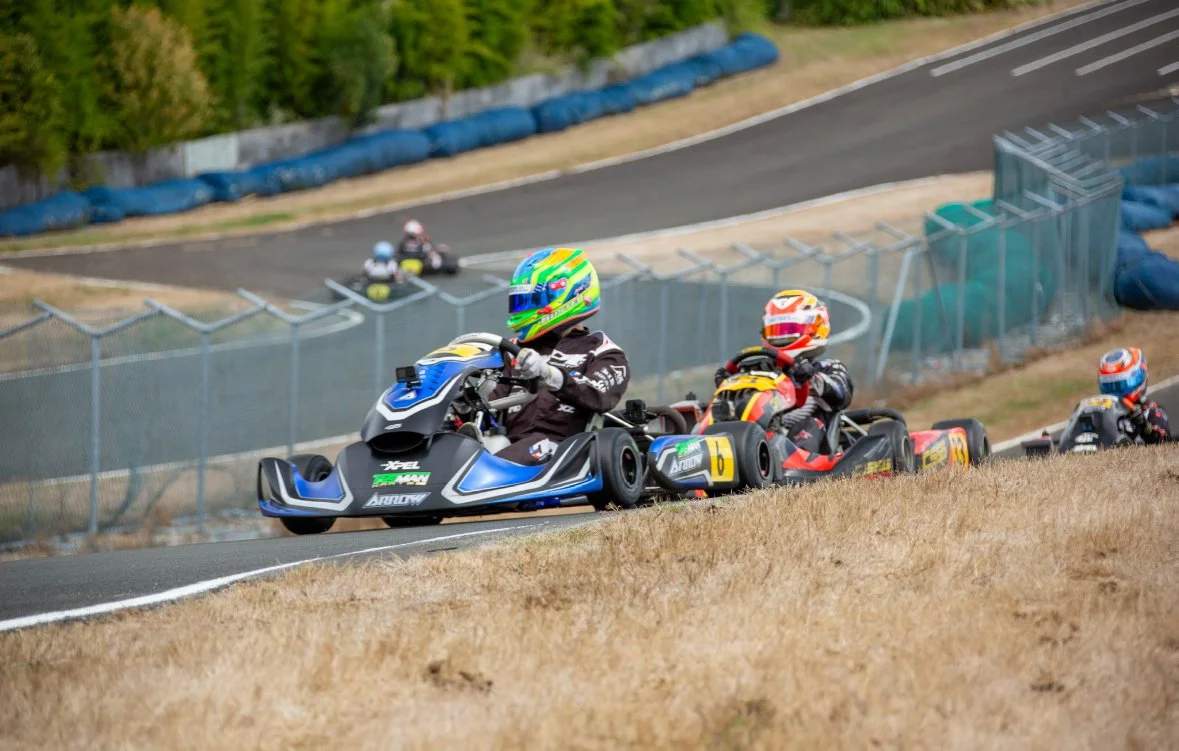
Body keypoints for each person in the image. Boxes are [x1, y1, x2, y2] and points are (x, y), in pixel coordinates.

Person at [490, 247, 630, 465]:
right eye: (520, 301)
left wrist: (547, 373)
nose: (522, 309)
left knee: (496, 465)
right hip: (506, 443)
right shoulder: (513, 351)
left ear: (568, 295)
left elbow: (598, 395)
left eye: (531, 301)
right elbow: (491, 400)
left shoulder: (603, 351)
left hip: (561, 448)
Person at [714, 289, 853, 455]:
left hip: (805, 439)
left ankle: (776, 457)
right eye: (775, 331)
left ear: (815, 329)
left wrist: (811, 378)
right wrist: (731, 382)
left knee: (810, 425)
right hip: (760, 431)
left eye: (788, 330)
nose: (781, 337)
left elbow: (841, 394)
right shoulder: (761, 370)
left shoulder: (827, 368)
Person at [1098, 347, 1170, 443]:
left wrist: (1143, 424)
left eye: (1120, 385)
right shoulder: (1102, 412)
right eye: (1109, 386)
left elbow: (1163, 440)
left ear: (1137, 379)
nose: (1115, 393)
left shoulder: (1150, 410)